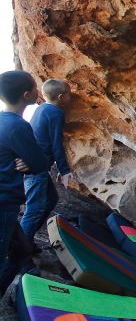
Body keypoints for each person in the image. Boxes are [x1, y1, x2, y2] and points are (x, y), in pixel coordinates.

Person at [0, 71, 51, 297]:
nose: (39, 91)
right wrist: (29, 162)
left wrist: (27, 162)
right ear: (27, 94)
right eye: (35, 88)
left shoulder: (3, 121)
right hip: (4, 204)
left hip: (5, 203)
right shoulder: (17, 126)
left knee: (21, 251)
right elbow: (40, 163)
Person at [21, 79, 74, 242]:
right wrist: (64, 171)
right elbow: (56, 143)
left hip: (33, 163)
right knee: (34, 210)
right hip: (36, 167)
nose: (71, 96)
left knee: (52, 199)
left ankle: (26, 242)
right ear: (60, 97)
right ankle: (19, 250)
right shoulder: (56, 113)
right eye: (69, 94)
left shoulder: (41, 108)